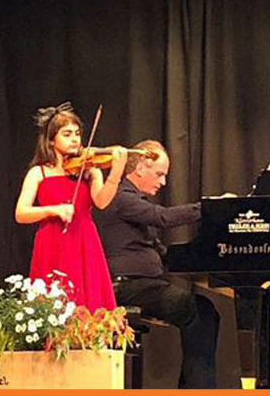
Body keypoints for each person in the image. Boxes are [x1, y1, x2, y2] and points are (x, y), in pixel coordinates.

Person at [94, 140, 219, 388]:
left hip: (141, 285)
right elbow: (162, 217)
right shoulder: (120, 196)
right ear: (140, 167)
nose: (163, 182)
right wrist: (210, 208)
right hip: (126, 285)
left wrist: (205, 260)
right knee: (200, 311)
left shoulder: (135, 202)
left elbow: (160, 251)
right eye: (159, 174)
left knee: (204, 311)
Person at [14, 101, 127, 311]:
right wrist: (54, 209)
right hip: (52, 241)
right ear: (51, 140)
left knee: (89, 302)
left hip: (84, 239)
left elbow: (102, 202)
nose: (75, 139)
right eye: (67, 134)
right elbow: (21, 213)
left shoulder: (89, 170)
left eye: (77, 133)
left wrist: (116, 172)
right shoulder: (39, 172)